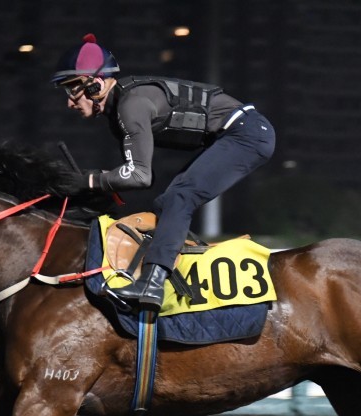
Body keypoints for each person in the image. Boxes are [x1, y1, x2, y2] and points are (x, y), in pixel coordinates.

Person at [52, 33, 276, 310]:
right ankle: (175, 270)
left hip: (246, 134)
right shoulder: (120, 110)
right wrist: (91, 182)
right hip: (235, 135)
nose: (69, 102)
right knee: (167, 202)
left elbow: (139, 176)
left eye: (72, 89)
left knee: (179, 198)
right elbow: (141, 176)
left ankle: (153, 283)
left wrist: (88, 180)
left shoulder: (129, 106)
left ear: (95, 85)